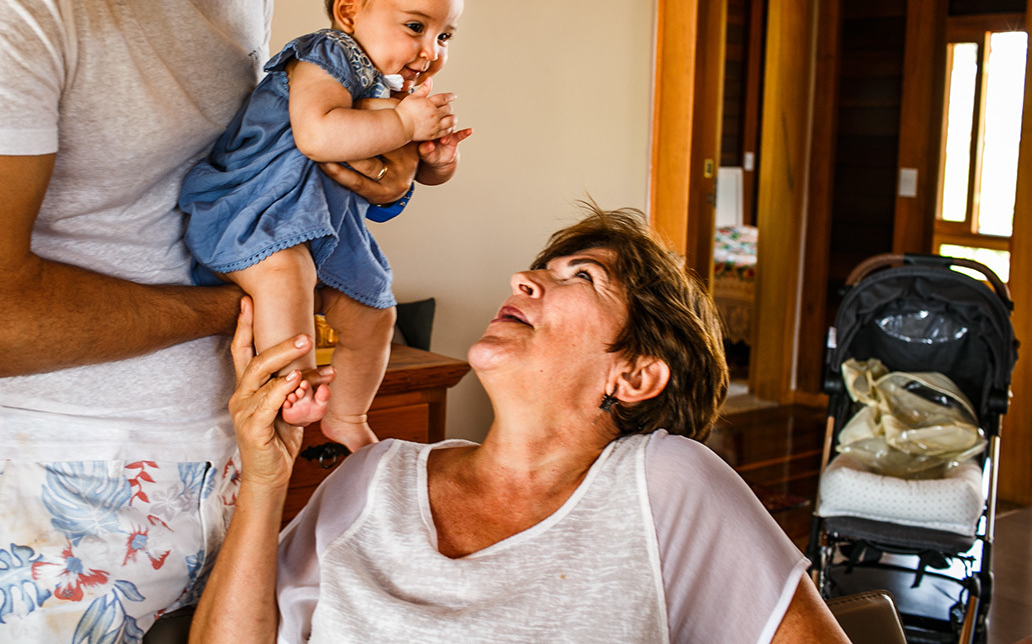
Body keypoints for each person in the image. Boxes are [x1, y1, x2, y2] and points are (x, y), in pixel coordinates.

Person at [0, 0, 426, 640]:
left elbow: (221, 166)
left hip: (232, 460)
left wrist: (373, 163)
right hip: (58, 482)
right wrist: (245, 306)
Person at [191, 206, 853, 643]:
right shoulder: (372, 476)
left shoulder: (663, 486)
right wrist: (266, 479)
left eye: (583, 277)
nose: (524, 279)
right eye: (542, 268)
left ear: (633, 376)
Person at [179, 0, 470, 452]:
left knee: (375, 310)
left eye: (444, 35)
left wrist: (437, 160)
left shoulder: (390, 90)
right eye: (415, 26)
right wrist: (404, 124)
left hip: (324, 225)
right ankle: (294, 386)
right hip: (256, 210)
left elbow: (404, 175)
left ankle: (348, 416)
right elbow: (317, 135)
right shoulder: (329, 54)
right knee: (285, 277)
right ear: (348, 11)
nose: (430, 50)